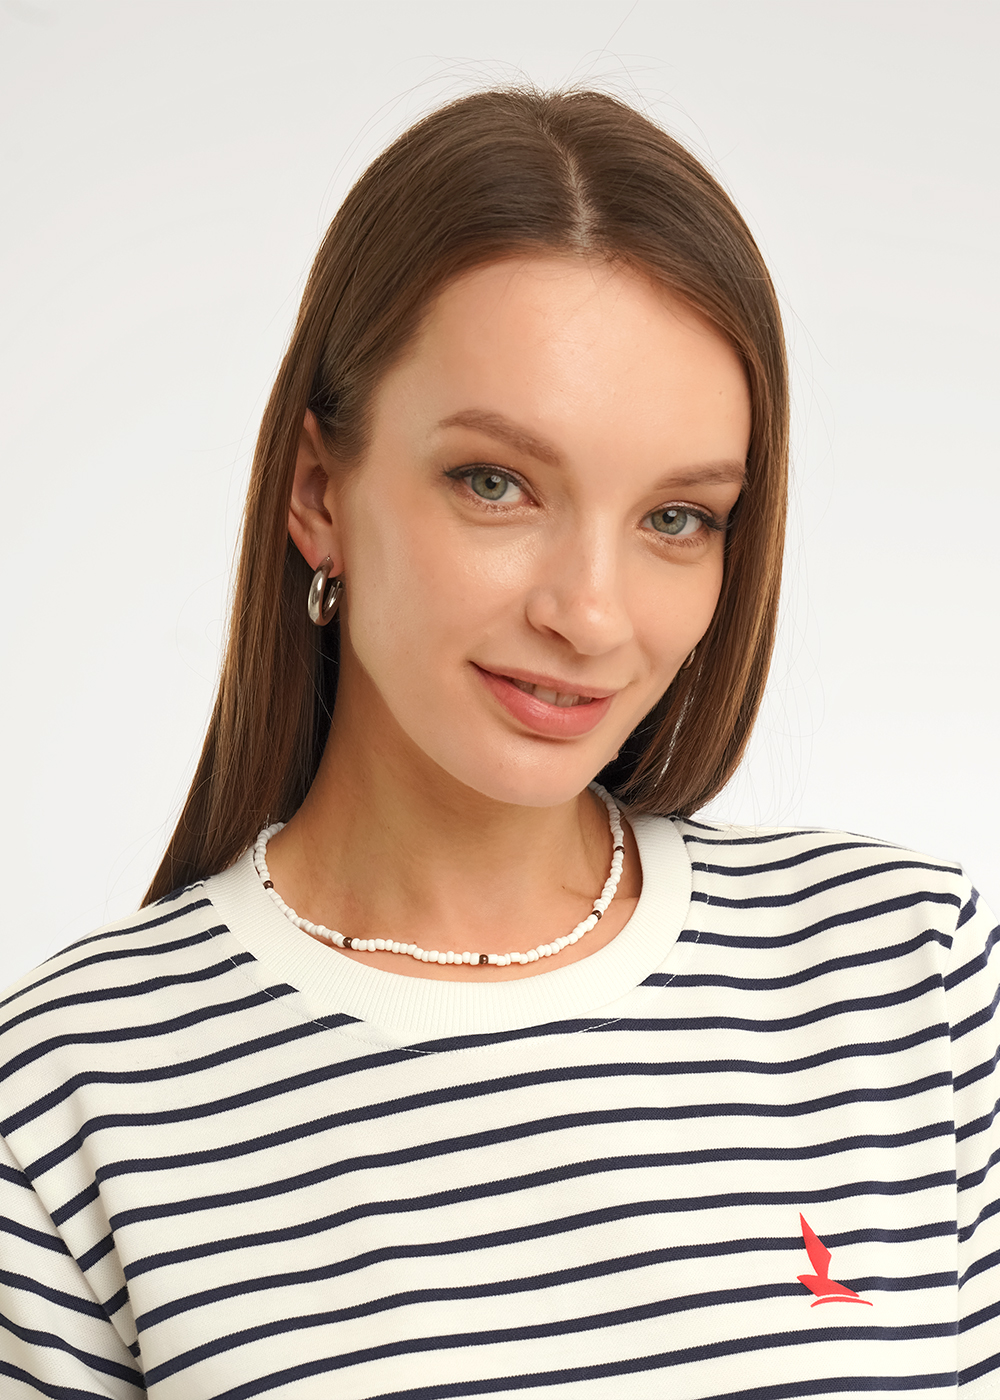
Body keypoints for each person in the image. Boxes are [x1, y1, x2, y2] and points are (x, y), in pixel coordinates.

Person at [0, 87, 996, 1400]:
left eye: (678, 518)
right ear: (320, 492)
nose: (590, 614)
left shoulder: (909, 973)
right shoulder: (72, 1095)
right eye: (497, 484)